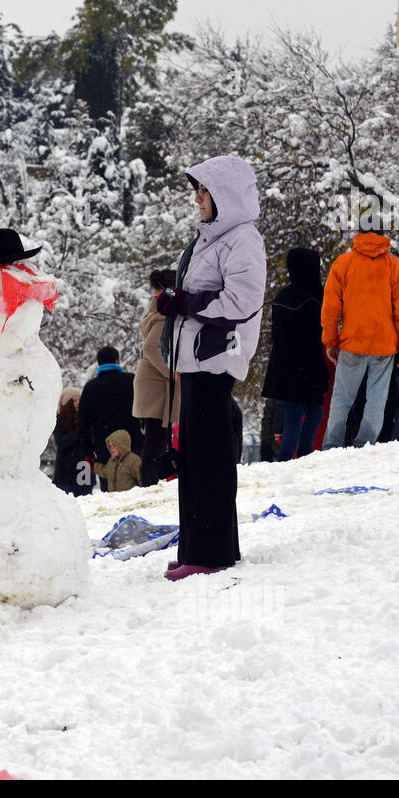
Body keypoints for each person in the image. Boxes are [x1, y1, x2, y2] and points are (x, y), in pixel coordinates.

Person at [156, 155, 265, 581]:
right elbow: (202, 290)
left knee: (211, 461)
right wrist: (176, 297)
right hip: (197, 361)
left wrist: (188, 303)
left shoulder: (243, 240)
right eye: (196, 191)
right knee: (194, 458)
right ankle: (194, 548)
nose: (196, 199)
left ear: (224, 196)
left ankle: (214, 552)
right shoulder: (210, 239)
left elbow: (242, 301)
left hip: (217, 361)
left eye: (203, 191)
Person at [321, 225, 399, 448]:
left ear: (359, 236)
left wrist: (331, 341)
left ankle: (332, 445)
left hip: (353, 341)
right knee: (376, 400)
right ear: (383, 237)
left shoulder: (343, 263)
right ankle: (365, 443)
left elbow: (331, 308)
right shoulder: (395, 266)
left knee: (342, 399)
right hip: (384, 345)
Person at [261, 247, 328, 460]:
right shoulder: (316, 296)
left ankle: (288, 456)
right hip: (310, 362)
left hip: (285, 362)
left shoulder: (283, 295)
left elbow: (277, 332)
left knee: (295, 411)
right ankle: (302, 454)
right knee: (312, 411)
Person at [133, 270, 180, 484]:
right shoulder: (163, 316)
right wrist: (173, 373)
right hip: (157, 385)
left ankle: (150, 479)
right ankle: (150, 481)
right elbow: (152, 347)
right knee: (156, 438)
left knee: (154, 437)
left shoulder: (153, 309)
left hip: (150, 384)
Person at [77, 346, 142, 490]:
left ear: (98, 364)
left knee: (110, 491)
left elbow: (83, 425)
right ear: (117, 361)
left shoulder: (90, 388)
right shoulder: (132, 381)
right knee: (137, 487)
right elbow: (144, 411)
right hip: (133, 443)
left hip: (105, 448)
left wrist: (87, 452)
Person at [52, 388, 90, 496]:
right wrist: (78, 430)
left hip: (84, 469)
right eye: (74, 400)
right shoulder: (59, 420)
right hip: (65, 472)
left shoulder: (88, 419)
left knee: (87, 503)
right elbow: (61, 443)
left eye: (80, 400)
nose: (78, 403)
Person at [93, 429, 142, 493]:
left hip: (130, 500)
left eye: (114, 445)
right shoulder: (112, 461)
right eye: (110, 446)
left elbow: (142, 480)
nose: (111, 448)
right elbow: (105, 471)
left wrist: (139, 495)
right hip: (115, 499)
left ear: (122, 445)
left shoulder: (133, 461)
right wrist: (92, 466)